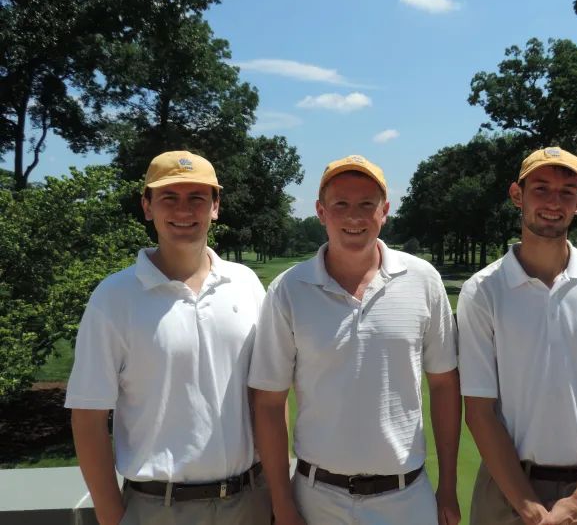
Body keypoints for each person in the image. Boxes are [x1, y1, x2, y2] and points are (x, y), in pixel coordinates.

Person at [248, 155, 462, 525]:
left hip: (406, 497)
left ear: (385, 211)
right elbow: (269, 402)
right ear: (320, 211)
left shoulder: (422, 279)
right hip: (316, 497)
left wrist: (447, 486)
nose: (354, 216)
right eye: (341, 204)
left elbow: (444, 384)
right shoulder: (288, 288)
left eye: (367, 204)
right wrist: (282, 502)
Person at [65, 151, 271, 525]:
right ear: (147, 206)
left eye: (197, 198)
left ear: (215, 207)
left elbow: (267, 399)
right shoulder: (115, 297)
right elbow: (87, 418)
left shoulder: (246, 284)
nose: (184, 211)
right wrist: (113, 518)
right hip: (158, 508)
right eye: (169, 198)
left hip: (250, 501)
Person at [458, 147, 577, 525]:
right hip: (508, 490)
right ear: (517, 195)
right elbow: (479, 411)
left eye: (566, 192)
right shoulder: (482, 290)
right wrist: (527, 506)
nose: (553, 202)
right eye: (540, 188)